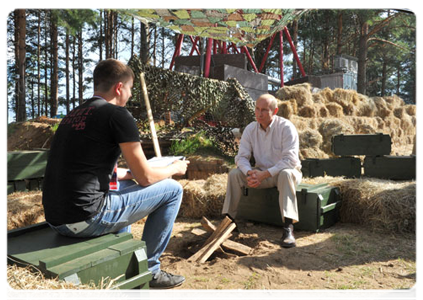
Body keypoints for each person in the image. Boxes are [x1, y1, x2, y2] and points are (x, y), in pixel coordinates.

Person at [42, 58, 190, 290]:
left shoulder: (73, 115)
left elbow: (97, 170)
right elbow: (146, 178)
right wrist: (174, 169)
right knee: (172, 190)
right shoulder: (117, 115)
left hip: (56, 219)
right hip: (85, 219)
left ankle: (122, 258)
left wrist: (131, 174)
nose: (130, 95)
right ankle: (150, 270)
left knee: (117, 188)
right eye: (130, 89)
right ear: (119, 87)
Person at [221, 94, 302, 248]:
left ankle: (288, 228)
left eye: (264, 110)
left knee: (286, 173)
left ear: (275, 111)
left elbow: (290, 160)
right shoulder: (251, 129)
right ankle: (229, 222)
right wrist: (249, 173)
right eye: (257, 109)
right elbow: (241, 157)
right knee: (234, 174)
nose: (259, 113)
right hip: (259, 174)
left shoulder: (286, 128)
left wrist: (263, 174)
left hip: (284, 173)